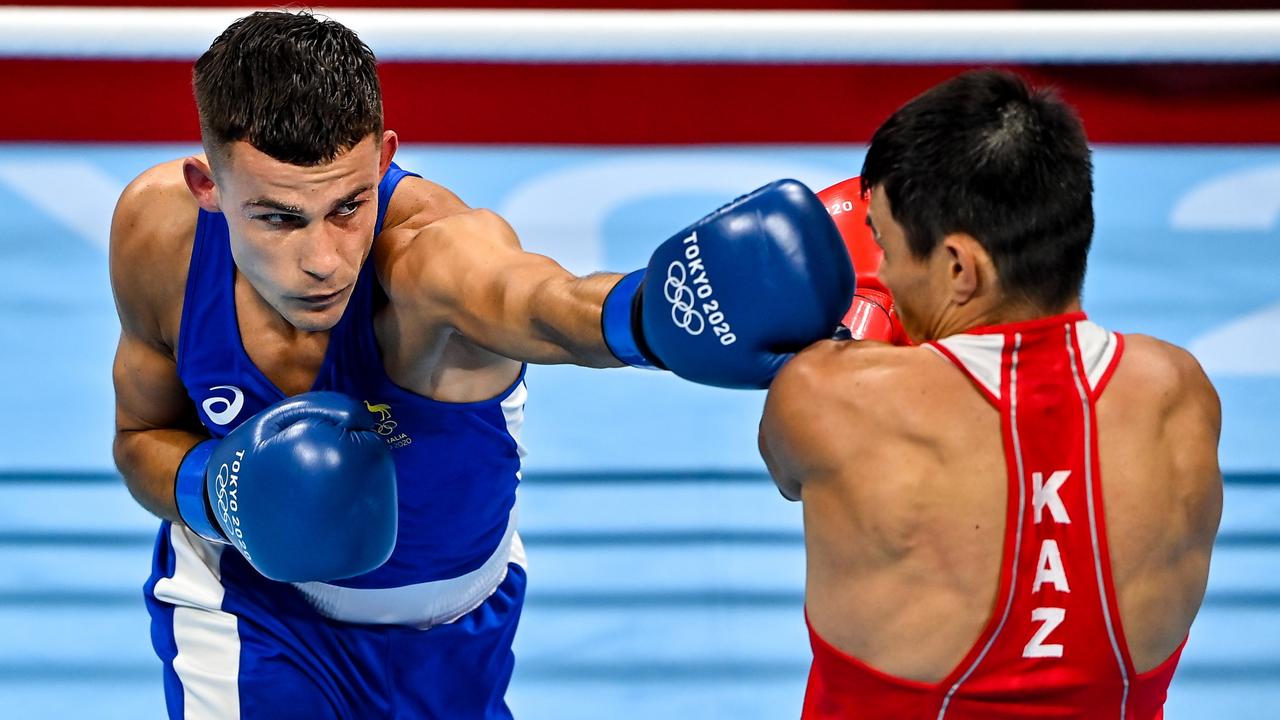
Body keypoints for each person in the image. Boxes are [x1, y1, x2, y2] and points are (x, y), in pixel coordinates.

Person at [109, 10, 853, 719]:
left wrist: (650, 317)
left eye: (348, 206)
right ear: (208, 188)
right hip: (248, 607)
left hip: (454, 627)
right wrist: (220, 495)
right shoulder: (160, 239)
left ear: (385, 160)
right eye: (278, 218)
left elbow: (540, 303)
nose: (324, 261)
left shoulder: (432, 258)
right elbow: (141, 435)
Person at [759, 69, 1223, 719]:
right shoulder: (1180, 398)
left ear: (959, 268)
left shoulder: (828, 398)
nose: (882, 273)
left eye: (886, 249)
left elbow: (787, 464)